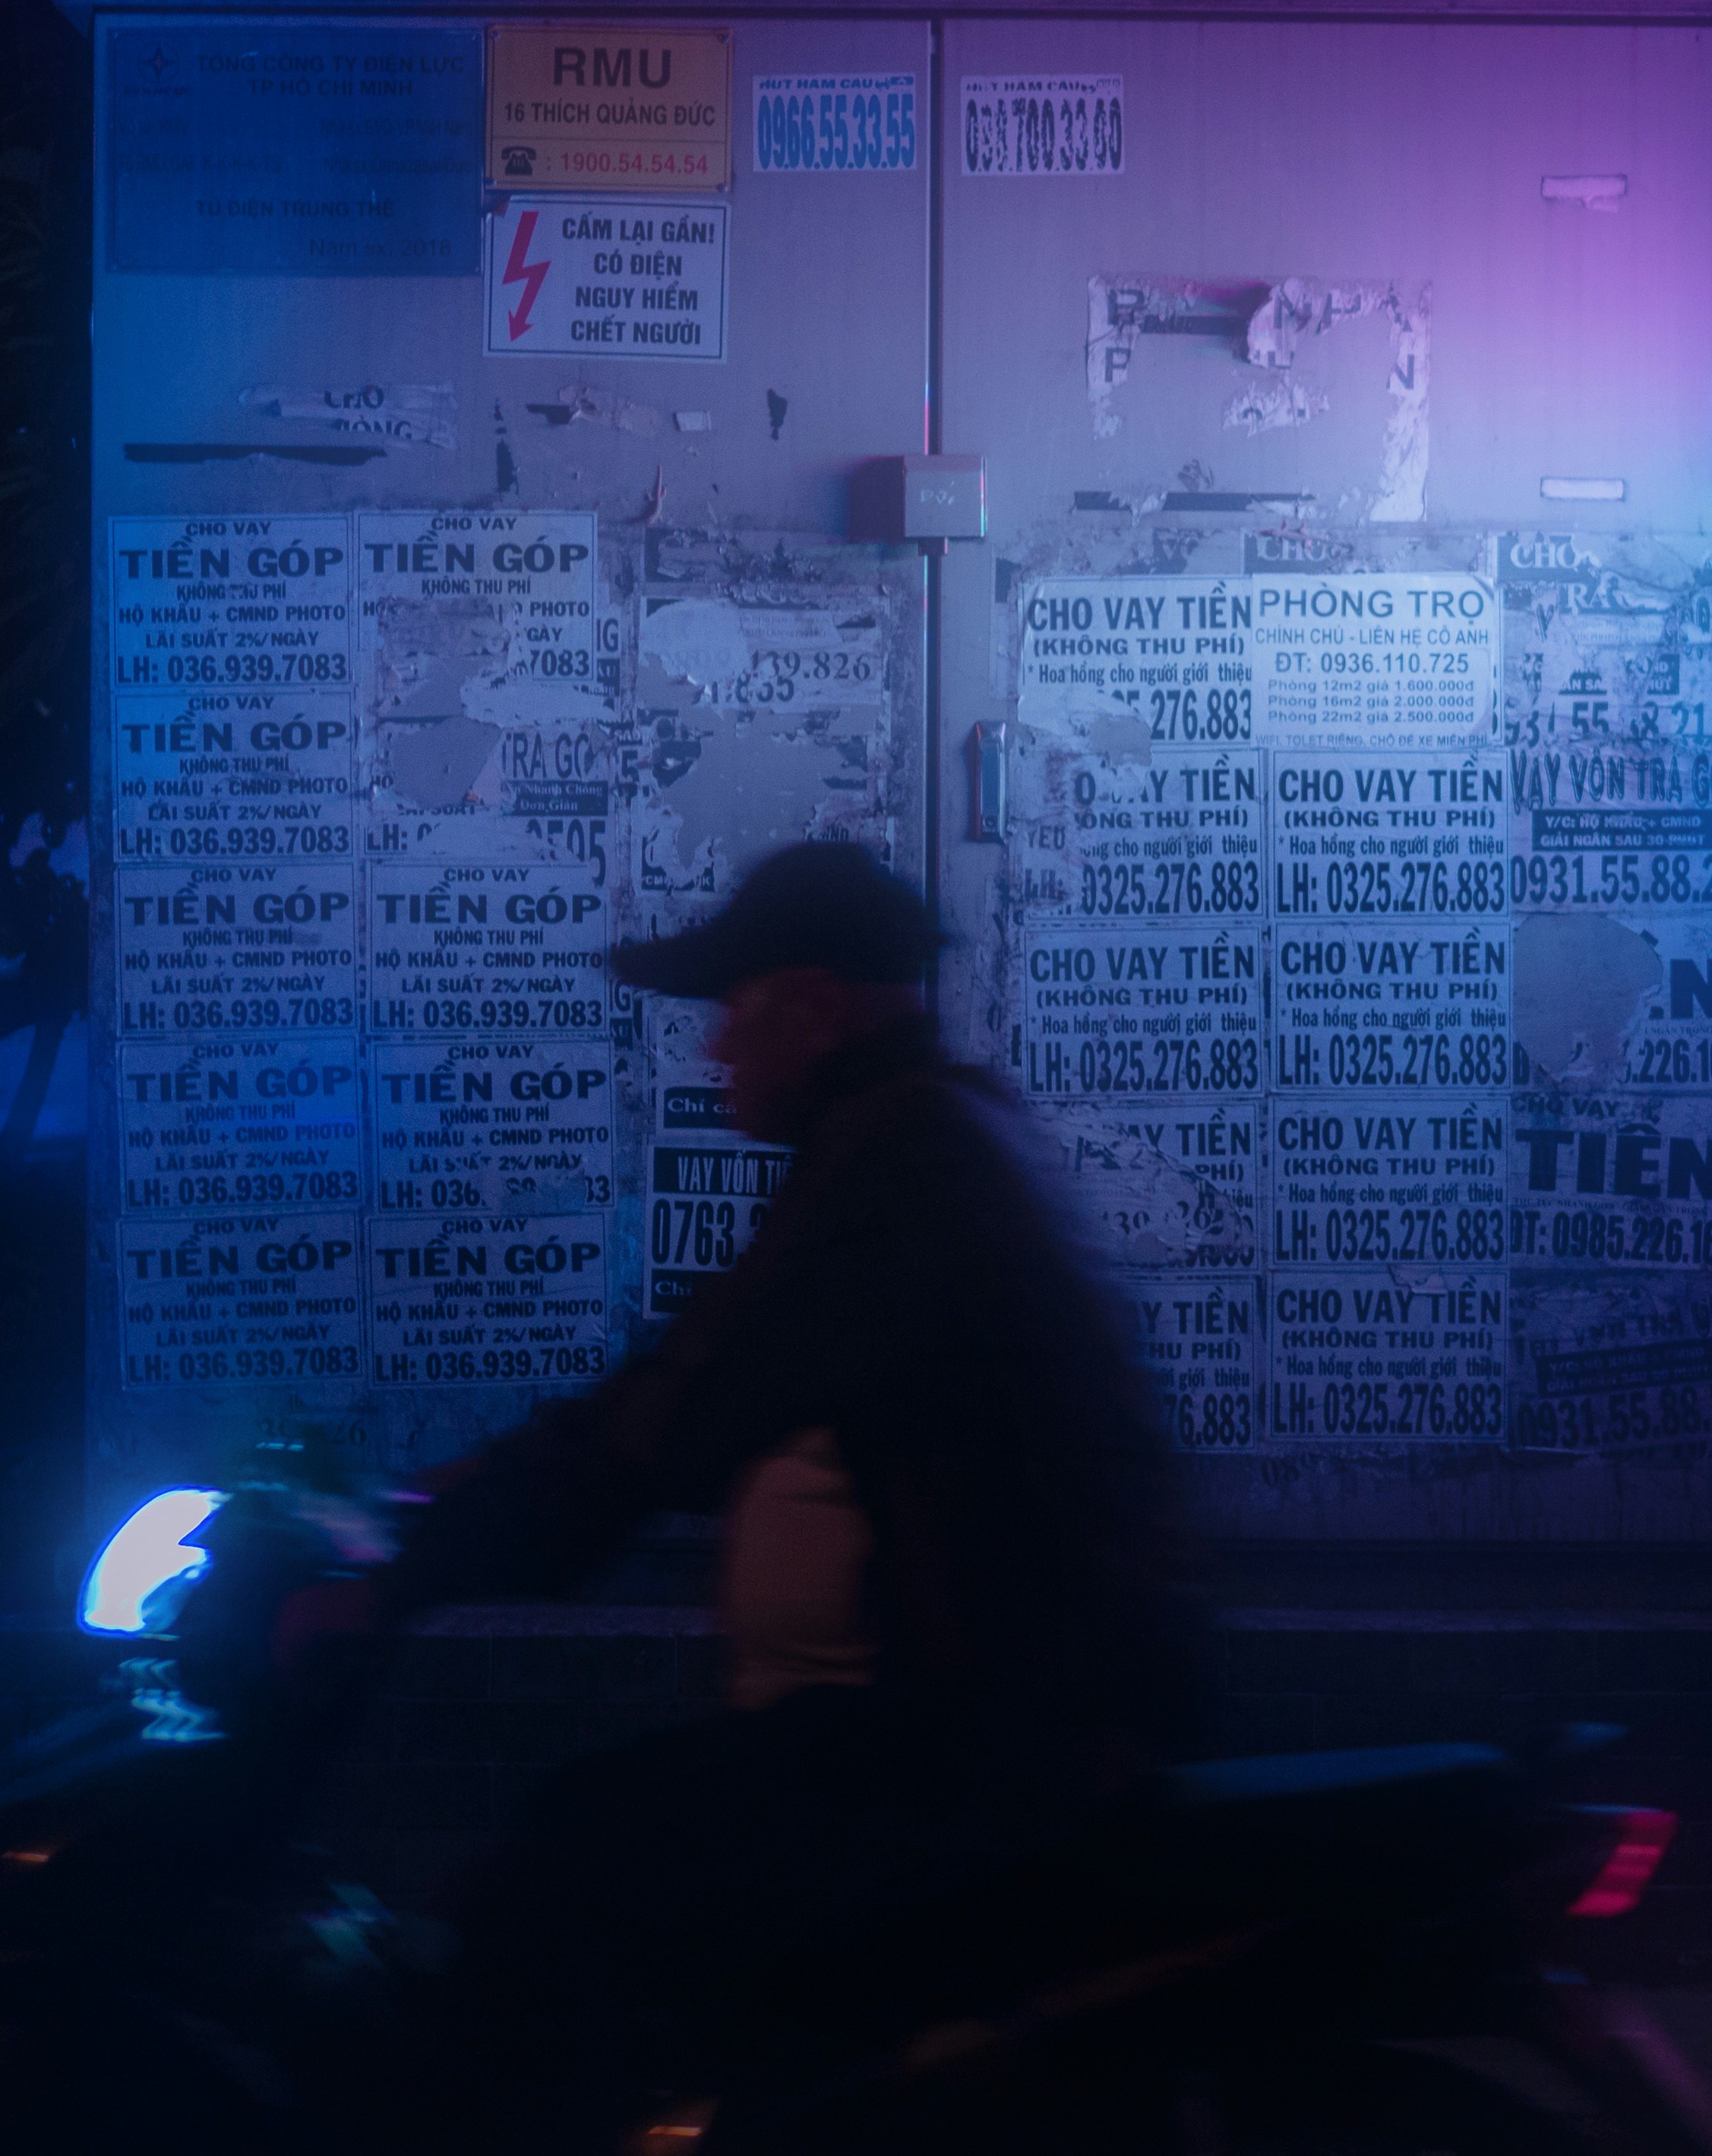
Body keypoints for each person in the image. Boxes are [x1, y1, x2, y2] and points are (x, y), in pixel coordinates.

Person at [307, 839, 1209, 2132]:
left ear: (817, 1005)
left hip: (998, 1747)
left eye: (735, 1008)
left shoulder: (901, 1173)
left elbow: (664, 1427)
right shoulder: (935, 1133)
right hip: (1031, 1715)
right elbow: (681, 1389)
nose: (716, 1048)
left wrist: (394, 1576)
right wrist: (438, 1498)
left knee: (554, 1877)